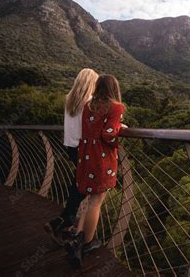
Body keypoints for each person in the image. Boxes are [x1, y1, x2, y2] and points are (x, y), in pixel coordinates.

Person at [65, 74, 126, 268]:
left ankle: (77, 238)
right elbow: (108, 135)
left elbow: (92, 129)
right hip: (101, 159)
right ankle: (87, 243)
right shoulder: (116, 107)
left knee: (90, 198)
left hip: (86, 156)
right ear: (114, 88)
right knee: (97, 201)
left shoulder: (88, 106)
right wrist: (118, 127)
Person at [44, 68, 98, 246]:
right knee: (86, 186)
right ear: (92, 83)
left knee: (79, 181)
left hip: (70, 147)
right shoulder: (90, 102)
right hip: (84, 149)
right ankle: (65, 222)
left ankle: (65, 223)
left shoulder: (69, 98)